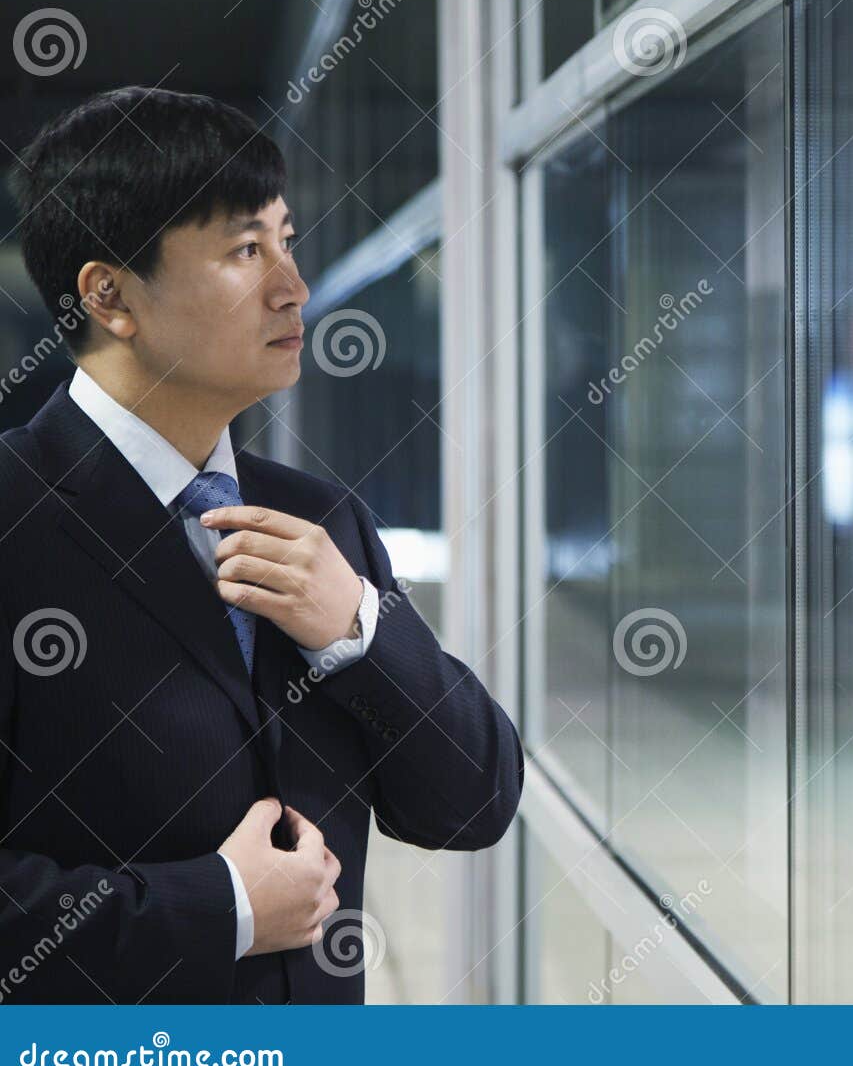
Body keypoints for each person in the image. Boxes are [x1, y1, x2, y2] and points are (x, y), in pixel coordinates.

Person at [0, 85, 523, 1003]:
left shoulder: (322, 522)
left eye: (288, 241)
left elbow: (473, 803)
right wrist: (224, 904)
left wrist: (358, 627)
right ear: (110, 294)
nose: (295, 287)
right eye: (247, 249)